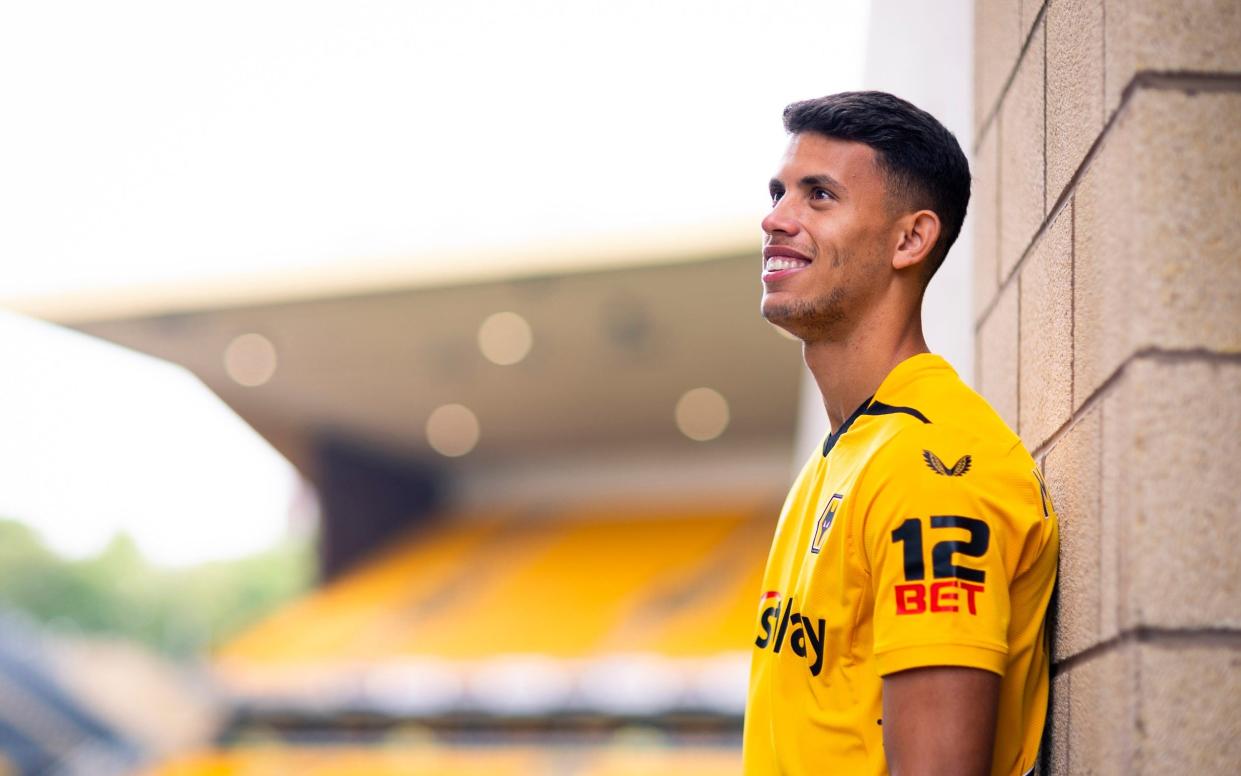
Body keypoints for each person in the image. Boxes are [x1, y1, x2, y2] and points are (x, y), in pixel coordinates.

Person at [742, 91, 1059, 776]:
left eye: (817, 196)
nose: (774, 218)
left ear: (909, 239)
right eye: (778, 192)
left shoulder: (934, 467)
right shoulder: (841, 457)